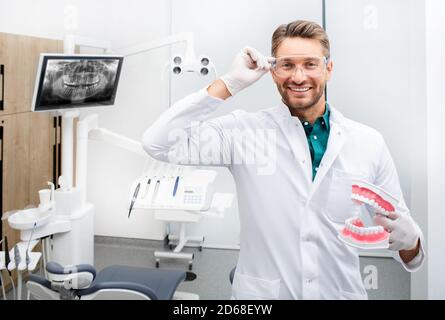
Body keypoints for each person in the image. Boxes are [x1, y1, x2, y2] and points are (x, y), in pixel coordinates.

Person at [142, 20, 425, 299]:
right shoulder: (244, 133)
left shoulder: (368, 142)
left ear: (329, 68)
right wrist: (229, 83)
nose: (298, 77)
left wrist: (411, 241)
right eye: (287, 65)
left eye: (311, 64)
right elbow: (158, 142)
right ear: (273, 71)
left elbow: (408, 255)